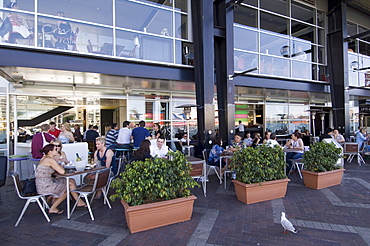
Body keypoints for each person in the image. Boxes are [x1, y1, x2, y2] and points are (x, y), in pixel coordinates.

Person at [35, 144, 86, 214]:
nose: (57, 150)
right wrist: (61, 164)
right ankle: (53, 208)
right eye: (55, 149)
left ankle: (78, 201)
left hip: (42, 183)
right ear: (50, 152)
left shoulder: (44, 158)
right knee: (67, 188)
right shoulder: (50, 160)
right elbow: (62, 171)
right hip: (46, 185)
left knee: (71, 181)